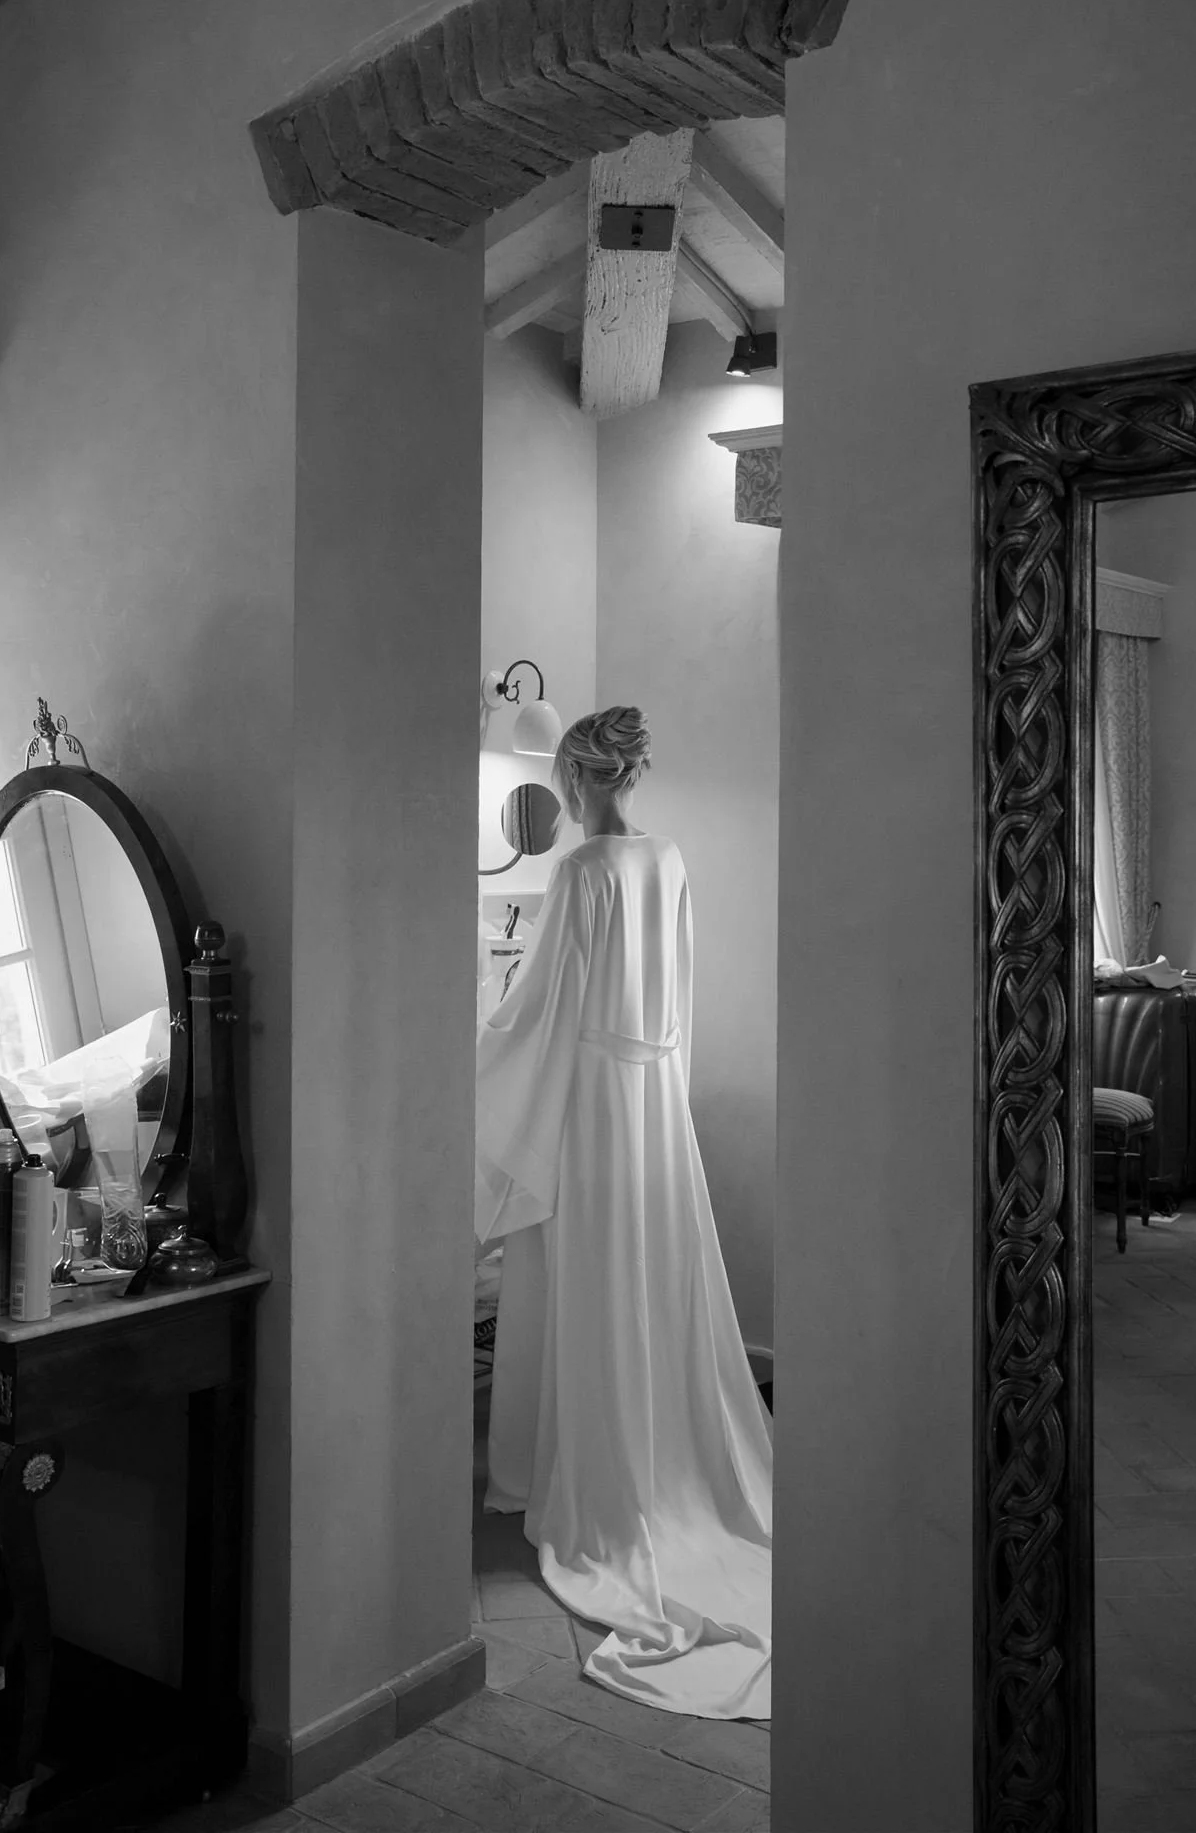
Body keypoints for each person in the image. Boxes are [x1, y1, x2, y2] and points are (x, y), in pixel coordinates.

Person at [474, 706, 772, 1720]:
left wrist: (483, 1041)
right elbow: (677, 991)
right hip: (652, 1091)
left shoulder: (580, 870)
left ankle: (595, 1480)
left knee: (586, 1277)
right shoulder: (670, 858)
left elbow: (546, 1001)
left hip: (597, 1096)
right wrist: (664, 1088)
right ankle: (659, 1466)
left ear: (575, 776)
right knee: (648, 1277)